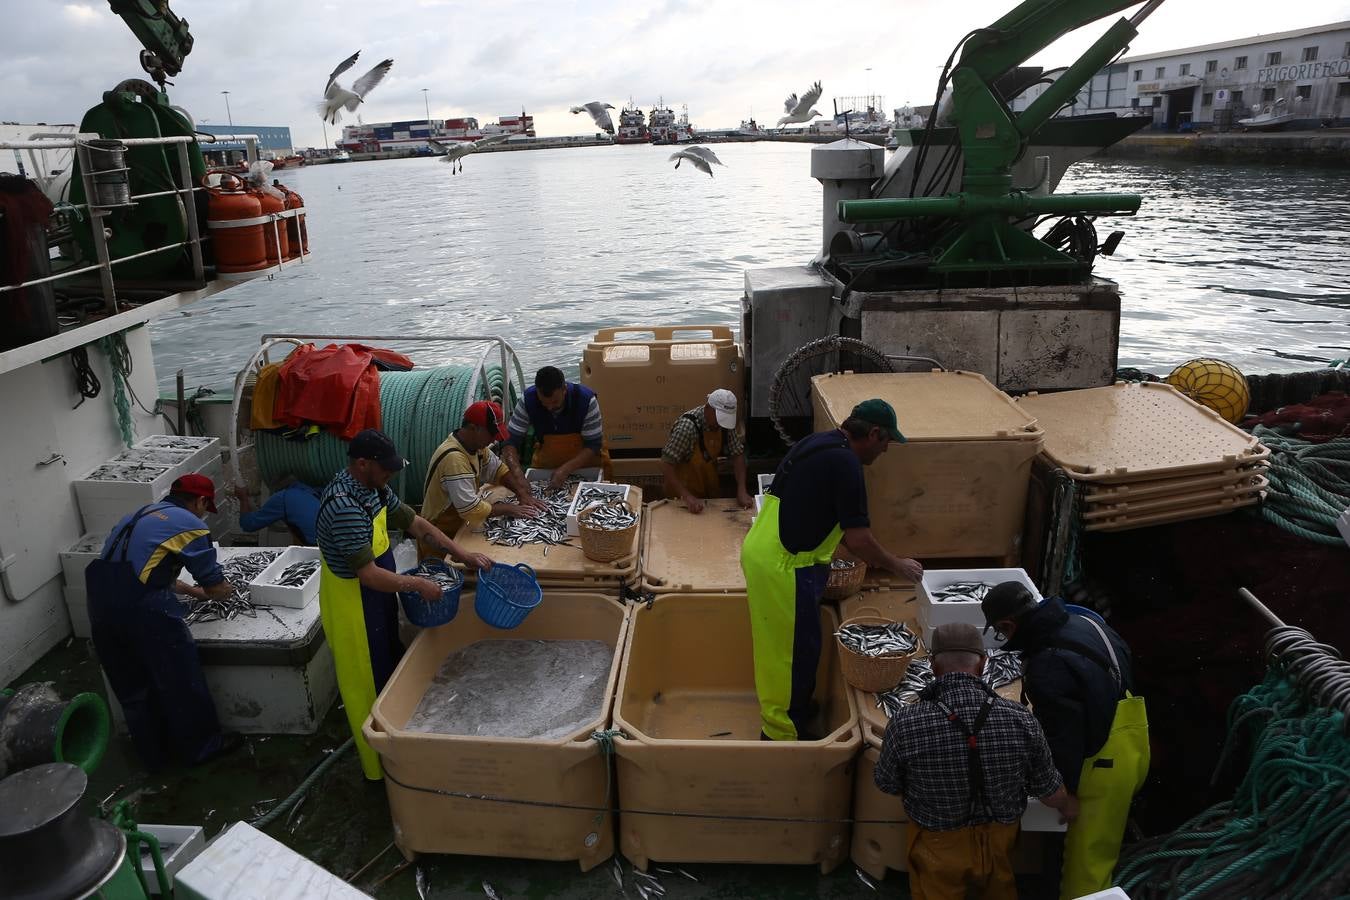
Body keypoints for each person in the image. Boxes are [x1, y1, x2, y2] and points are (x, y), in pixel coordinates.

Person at [316, 428, 495, 780]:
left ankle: (398, 741)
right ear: (362, 464)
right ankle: (379, 771)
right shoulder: (344, 506)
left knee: (388, 667)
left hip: (376, 597)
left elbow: (415, 522)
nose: (391, 474)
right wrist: (417, 583)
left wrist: (461, 554)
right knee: (365, 684)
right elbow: (367, 574)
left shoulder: (374, 488)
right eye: (386, 468)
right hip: (354, 605)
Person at [741, 399, 924, 741]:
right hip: (783, 567)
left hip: (778, 555)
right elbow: (858, 540)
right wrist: (897, 565)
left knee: (805, 646)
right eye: (886, 443)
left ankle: (798, 709)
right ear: (873, 434)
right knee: (786, 656)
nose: (885, 451)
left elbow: (815, 509)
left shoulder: (820, 442)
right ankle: (780, 734)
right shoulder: (846, 464)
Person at [874, 623, 1079, 900]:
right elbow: (1049, 790)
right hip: (1000, 842)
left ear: (933, 666)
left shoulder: (905, 722)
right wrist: (1068, 805)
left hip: (938, 844)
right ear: (982, 664)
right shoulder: (1021, 719)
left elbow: (886, 783)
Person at [982, 583, 1149, 899]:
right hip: (1135, 739)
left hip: (1102, 765)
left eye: (1003, 634)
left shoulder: (1049, 663)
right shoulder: (1085, 622)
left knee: (1086, 869)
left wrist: (1062, 792)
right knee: (1097, 847)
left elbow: (1065, 738)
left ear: (1007, 625)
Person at [85, 474, 244, 770]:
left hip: (100, 603)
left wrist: (192, 591)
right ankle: (202, 747)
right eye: (204, 508)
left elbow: (145, 570)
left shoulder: (136, 516)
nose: (202, 515)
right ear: (200, 501)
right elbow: (215, 585)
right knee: (178, 678)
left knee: (131, 684)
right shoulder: (191, 524)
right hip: (143, 609)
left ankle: (154, 754)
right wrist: (226, 590)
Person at [418, 400, 547, 558]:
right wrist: (510, 509)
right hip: (438, 536)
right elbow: (471, 510)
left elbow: (499, 470)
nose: (494, 440)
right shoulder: (454, 459)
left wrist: (521, 493)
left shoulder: (477, 448)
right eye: (492, 434)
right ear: (473, 428)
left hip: (459, 528)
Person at [502, 365, 611, 491]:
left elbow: (593, 444)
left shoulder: (586, 400)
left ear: (564, 389)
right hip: (547, 464)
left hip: (588, 463)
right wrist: (518, 475)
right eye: (544, 403)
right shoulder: (528, 400)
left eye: (555, 402)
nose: (549, 408)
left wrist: (565, 469)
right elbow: (510, 441)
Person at [660, 388, 753, 513]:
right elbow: (666, 465)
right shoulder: (687, 428)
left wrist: (742, 489)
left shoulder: (723, 426)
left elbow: (737, 455)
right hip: (680, 498)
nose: (721, 424)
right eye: (720, 418)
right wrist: (686, 497)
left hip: (708, 493)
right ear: (708, 408)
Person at [234, 475, 320, 545]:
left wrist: (243, 498)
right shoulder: (309, 491)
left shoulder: (282, 497)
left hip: (316, 547)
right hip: (329, 542)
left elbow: (248, 524)